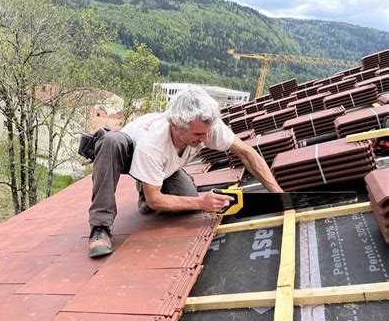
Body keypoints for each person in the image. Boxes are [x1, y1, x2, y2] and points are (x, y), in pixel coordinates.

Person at [88, 85, 283, 257]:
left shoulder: (207, 126)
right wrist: (201, 202)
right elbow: (156, 200)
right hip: (128, 155)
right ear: (176, 127)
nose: (205, 141)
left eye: (206, 133)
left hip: (164, 165)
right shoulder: (152, 143)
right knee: (112, 142)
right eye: (198, 134)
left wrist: (277, 193)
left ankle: (146, 186)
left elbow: (247, 153)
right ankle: (100, 227)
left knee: (185, 200)